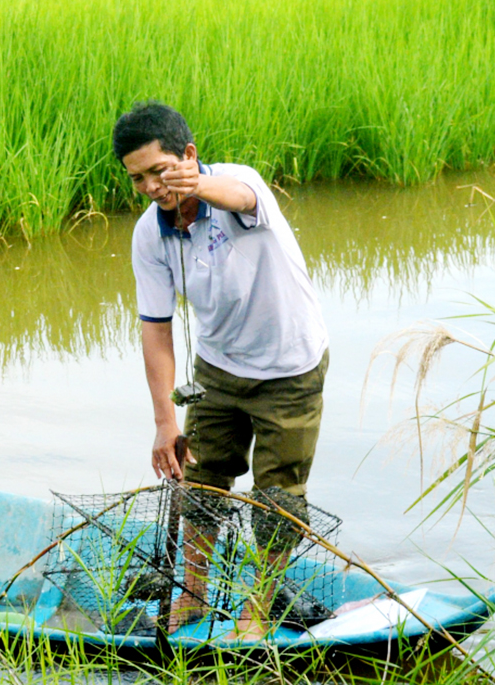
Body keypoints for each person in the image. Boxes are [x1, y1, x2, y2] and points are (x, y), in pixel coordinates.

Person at [113, 102, 329, 640]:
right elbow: (156, 330)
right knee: (204, 480)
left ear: (188, 156)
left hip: (290, 366)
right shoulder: (150, 235)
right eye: (137, 178)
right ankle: (193, 592)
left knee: (278, 495)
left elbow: (241, 197)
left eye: (159, 171)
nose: (150, 187)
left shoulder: (237, 185)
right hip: (218, 368)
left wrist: (197, 187)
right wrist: (165, 421)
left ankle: (259, 603)